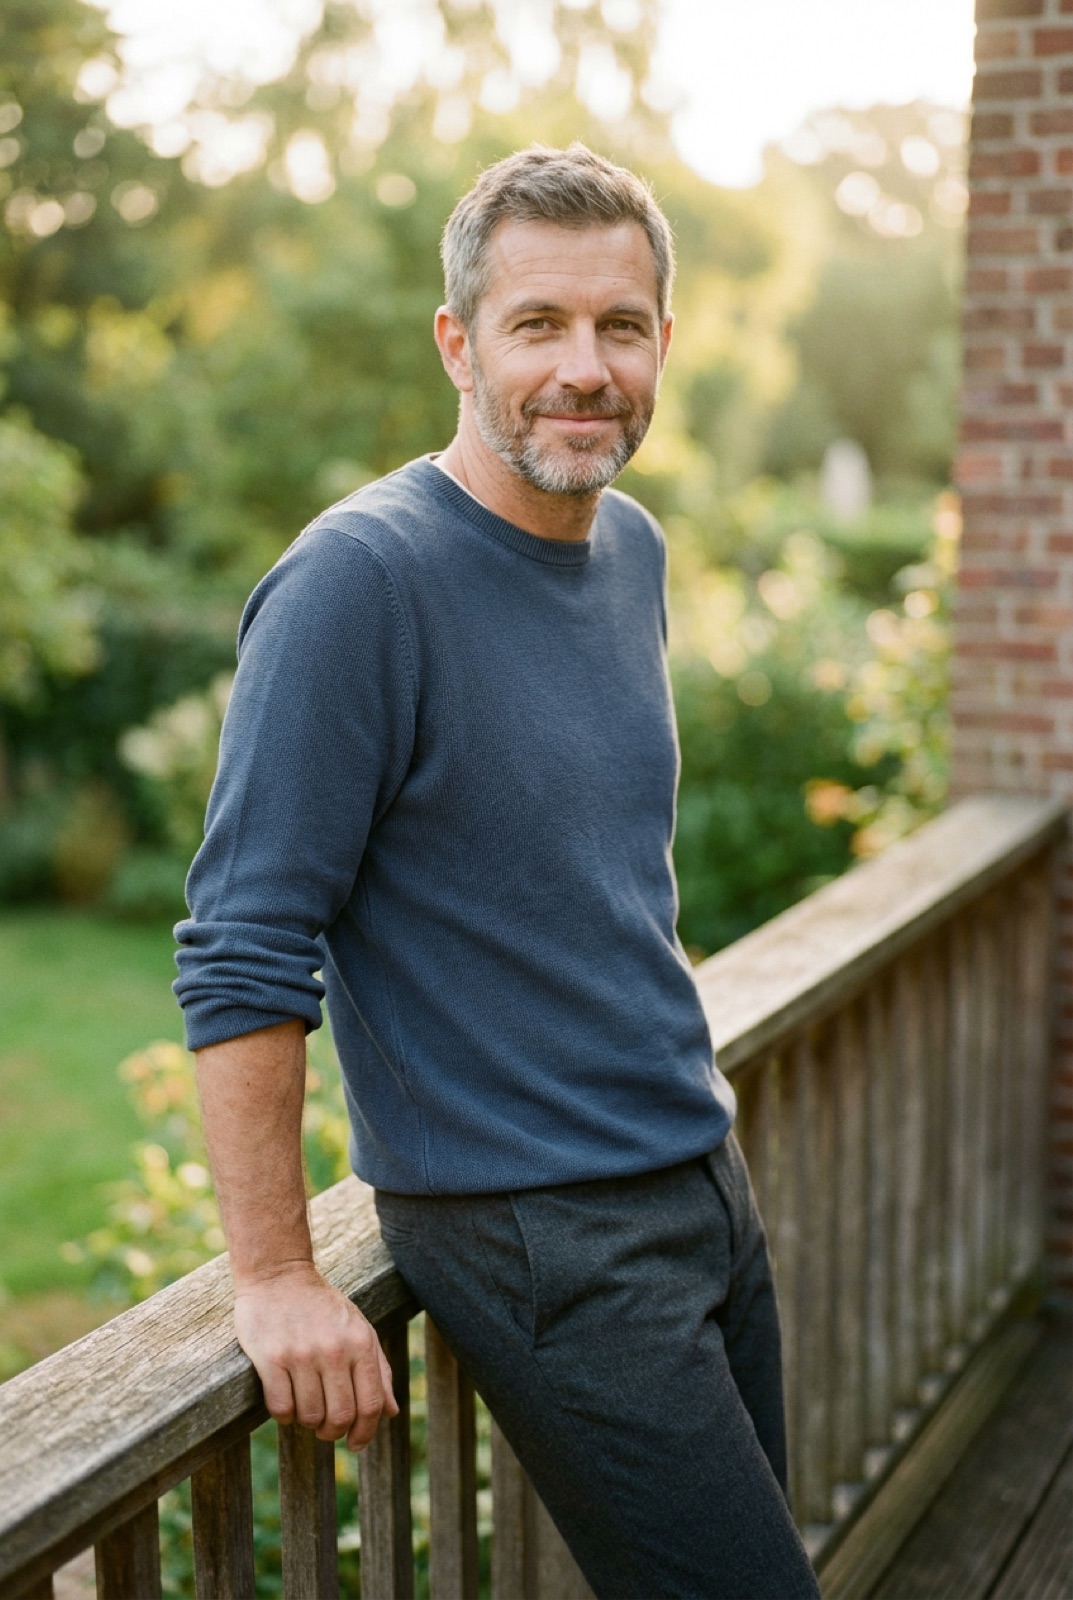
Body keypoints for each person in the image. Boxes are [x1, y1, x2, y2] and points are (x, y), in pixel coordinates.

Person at [175, 142, 820, 1600]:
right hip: (539, 1231)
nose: (583, 368)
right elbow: (241, 945)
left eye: (620, 326)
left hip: (698, 1181)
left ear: (664, 342)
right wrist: (275, 1277)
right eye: (537, 325)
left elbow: (580, 880)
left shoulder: (631, 549)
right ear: (458, 343)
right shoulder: (359, 583)